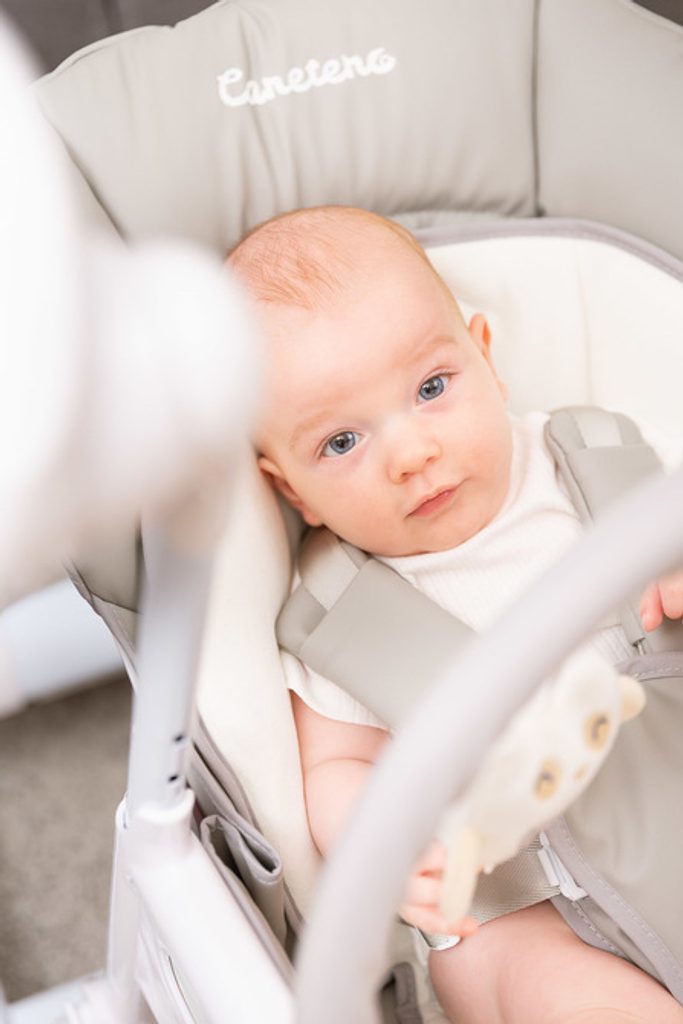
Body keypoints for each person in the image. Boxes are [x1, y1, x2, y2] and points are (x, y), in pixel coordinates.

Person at [227, 205, 683, 1023]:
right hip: (531, 905)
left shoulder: (599, 458)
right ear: (292, 490)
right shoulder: (343, 611)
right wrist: (388, 848)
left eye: (431, 389)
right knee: (517, 974)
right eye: (341, 443)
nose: (411, 454)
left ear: (485, 358)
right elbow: (334, 769)